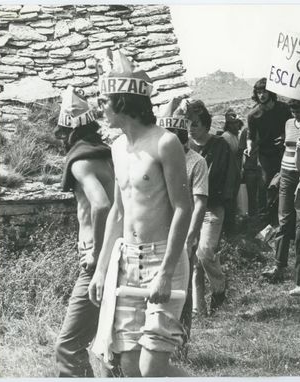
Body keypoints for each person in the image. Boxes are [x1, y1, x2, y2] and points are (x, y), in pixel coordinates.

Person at [88, 49, 192, 377]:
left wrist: (165, 270)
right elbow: (118, 212)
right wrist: (102, 269)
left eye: (104, 100)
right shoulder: (117, 148)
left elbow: (183, 208)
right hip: (127, 261)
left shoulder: (165, 143)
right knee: (130, 365)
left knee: (150, 368)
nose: (99, 107)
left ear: (122, 102)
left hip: (164, 261)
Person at [53, 86, 119, 377]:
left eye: (61, 132)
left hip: (97, 263)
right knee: (115, 345)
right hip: (120, 253)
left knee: (68, 347)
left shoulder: (81, 162)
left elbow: (102, 206)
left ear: (70, 131)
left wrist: (94, 255)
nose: (59, 139)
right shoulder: (107, 155)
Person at [157, 99, 209, 356]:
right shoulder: (159, 158)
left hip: (184, 232)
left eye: (175, 135)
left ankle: (180, 346)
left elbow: (199, 203)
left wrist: (191, 238)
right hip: (158, 232)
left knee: (183, 291)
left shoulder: (196, 161)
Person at [187, 100, 236, 316]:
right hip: (190, 207)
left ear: (205, 124)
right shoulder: (185, 148)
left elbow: (230, 178)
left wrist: (230, 207)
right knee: (193, 260)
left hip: (212, 208)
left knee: (205, 251)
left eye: (196, 123)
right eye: (188, 123)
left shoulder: (219, 146)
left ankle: (219, 287)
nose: (191, 128)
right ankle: (199, 309)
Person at [262, 99, 300, 294]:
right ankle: (279, 265)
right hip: (286, 173)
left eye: (298, 109)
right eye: (293, 110)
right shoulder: (289, 124)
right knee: (284, 218)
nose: (295, 113)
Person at [246, 78, 292, 213]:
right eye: (259, 92)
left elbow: (293, 127)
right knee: (266, 186)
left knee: (285, 184)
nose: (261, 95)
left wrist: (284, 136)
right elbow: (251, 136)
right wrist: (249, 147)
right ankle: (267, 216)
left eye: (264, 91)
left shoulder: (284, 108)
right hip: (265, 155)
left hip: (285, 152)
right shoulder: (253, 115)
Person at [221, 108, 243, 236]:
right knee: (229, 203)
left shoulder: (236, 136)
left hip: (235, 173)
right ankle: (228, 232)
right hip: (229, 175)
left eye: (236, 123)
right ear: (228, 125)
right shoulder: (226, 137)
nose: (235, 126)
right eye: (232, 124)